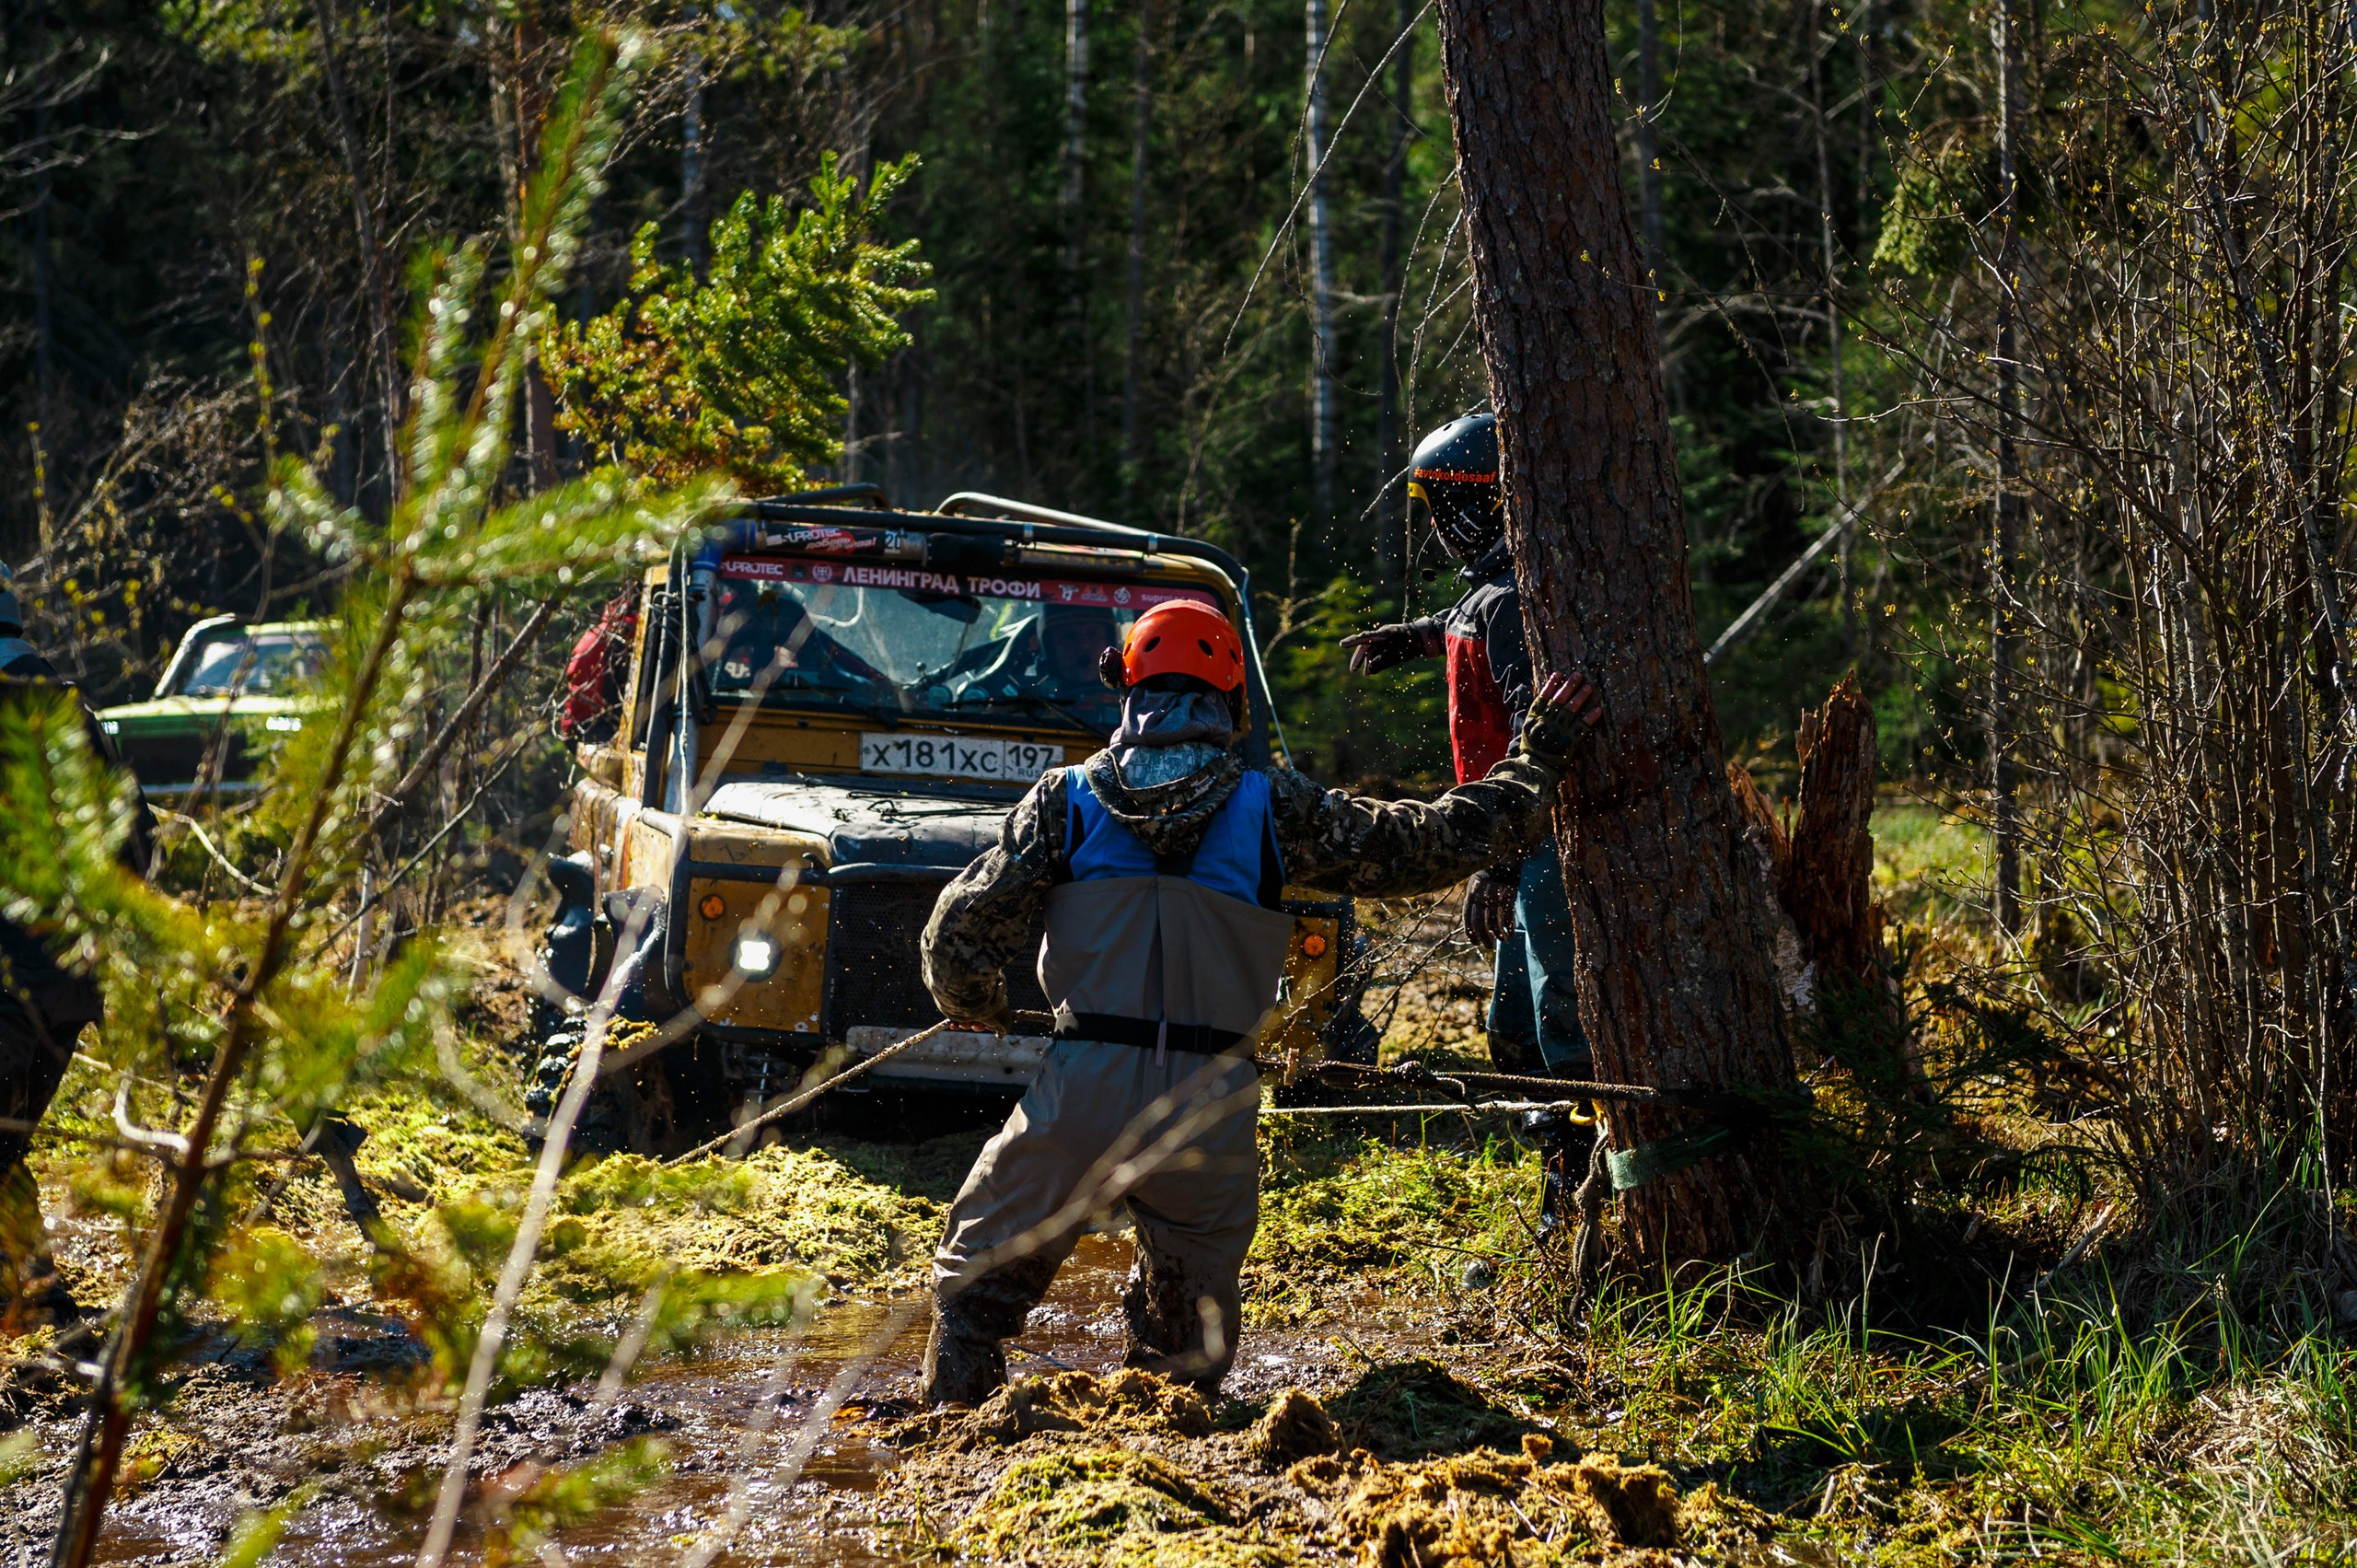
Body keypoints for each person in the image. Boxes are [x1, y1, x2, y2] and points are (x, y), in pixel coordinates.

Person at [916, 598, 1602, 1405]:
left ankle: (951, 1425)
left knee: (973, 1295)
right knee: (1189, 1348)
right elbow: (1437, 842)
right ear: (1233, 701)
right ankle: (1167, 1450)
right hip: (1210, 1100)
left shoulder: (1060, 804)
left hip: (1081, 1086)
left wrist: (981, 1005)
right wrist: (1541, 750)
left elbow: (956, 941)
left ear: (1127, 689)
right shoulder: (1274, 806)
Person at [1340, 412, 1594, 1231]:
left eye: (1437, 505)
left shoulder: (1515, 598)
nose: (1434, 527)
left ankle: (1582, 1189)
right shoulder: (1492, 588)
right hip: (1515, 840)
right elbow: (1472, 627)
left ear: (1470, 505)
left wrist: (1502, 865)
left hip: (1539, 845)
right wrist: (1416, 637)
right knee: (1511, 1025)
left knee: (1557, 1023)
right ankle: (1558, 1166)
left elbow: (1533, 727)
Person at [0, 565, 153, 1323]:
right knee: (5, 1145)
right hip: (72, 979)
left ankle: (38, 1301)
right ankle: (39, 1297)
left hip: (10, 981)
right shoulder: (75, 712)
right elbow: (135, 843)